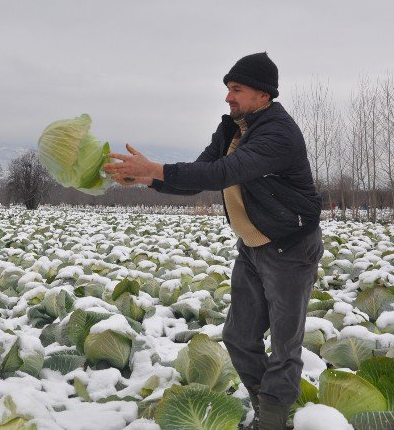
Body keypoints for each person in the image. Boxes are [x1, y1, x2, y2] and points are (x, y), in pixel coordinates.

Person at [104, 53, 323, 430]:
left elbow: (227, 171)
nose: (228, 97)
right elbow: (202, 176)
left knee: (285, 347)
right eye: (227, 89)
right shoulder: (232, 130)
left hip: (289, 246)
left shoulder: (278, 133)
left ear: (263, 94)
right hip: (253, 246)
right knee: (238, 337)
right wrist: (147, 179)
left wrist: (155, 168)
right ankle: (264, 402)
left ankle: (273, 421)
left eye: (236, 89)